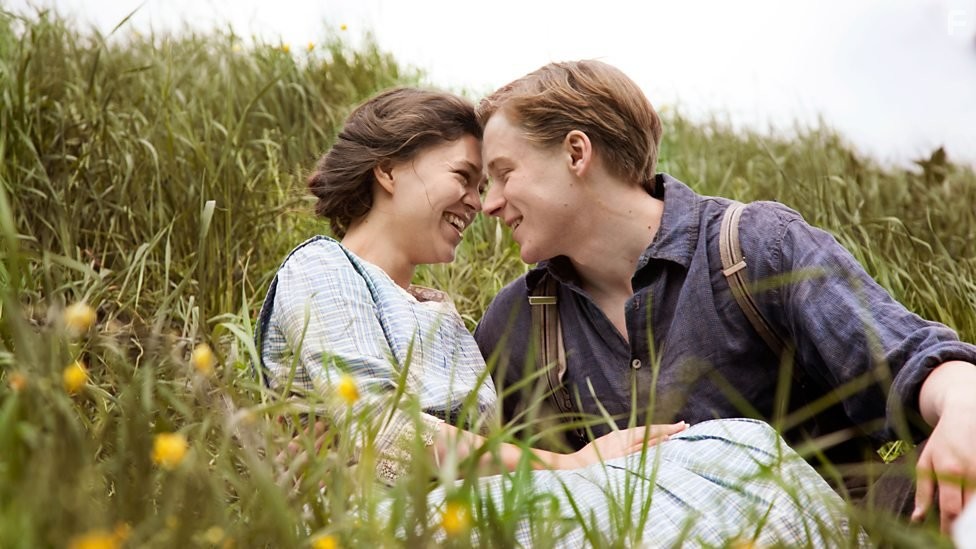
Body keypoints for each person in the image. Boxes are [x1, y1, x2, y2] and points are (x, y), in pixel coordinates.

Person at [255, 87, 863, 546]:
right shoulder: (324, 268)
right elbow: (380, 437)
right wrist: (571, 464)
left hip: (475, 507)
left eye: (489, 180)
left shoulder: (442, 316)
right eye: (464, 177)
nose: (481, 202)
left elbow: (497, 444)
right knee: (735, 454)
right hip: (387, 524)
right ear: (387, 169)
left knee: (732, 447)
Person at [472, 59, 976, 533]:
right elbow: (474, 468)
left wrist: (962, 401)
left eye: (504, 173)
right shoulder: (517, 321)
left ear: (576, 153)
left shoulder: (755, 246)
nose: (489, 204)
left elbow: (909, 359)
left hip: (835, 526)